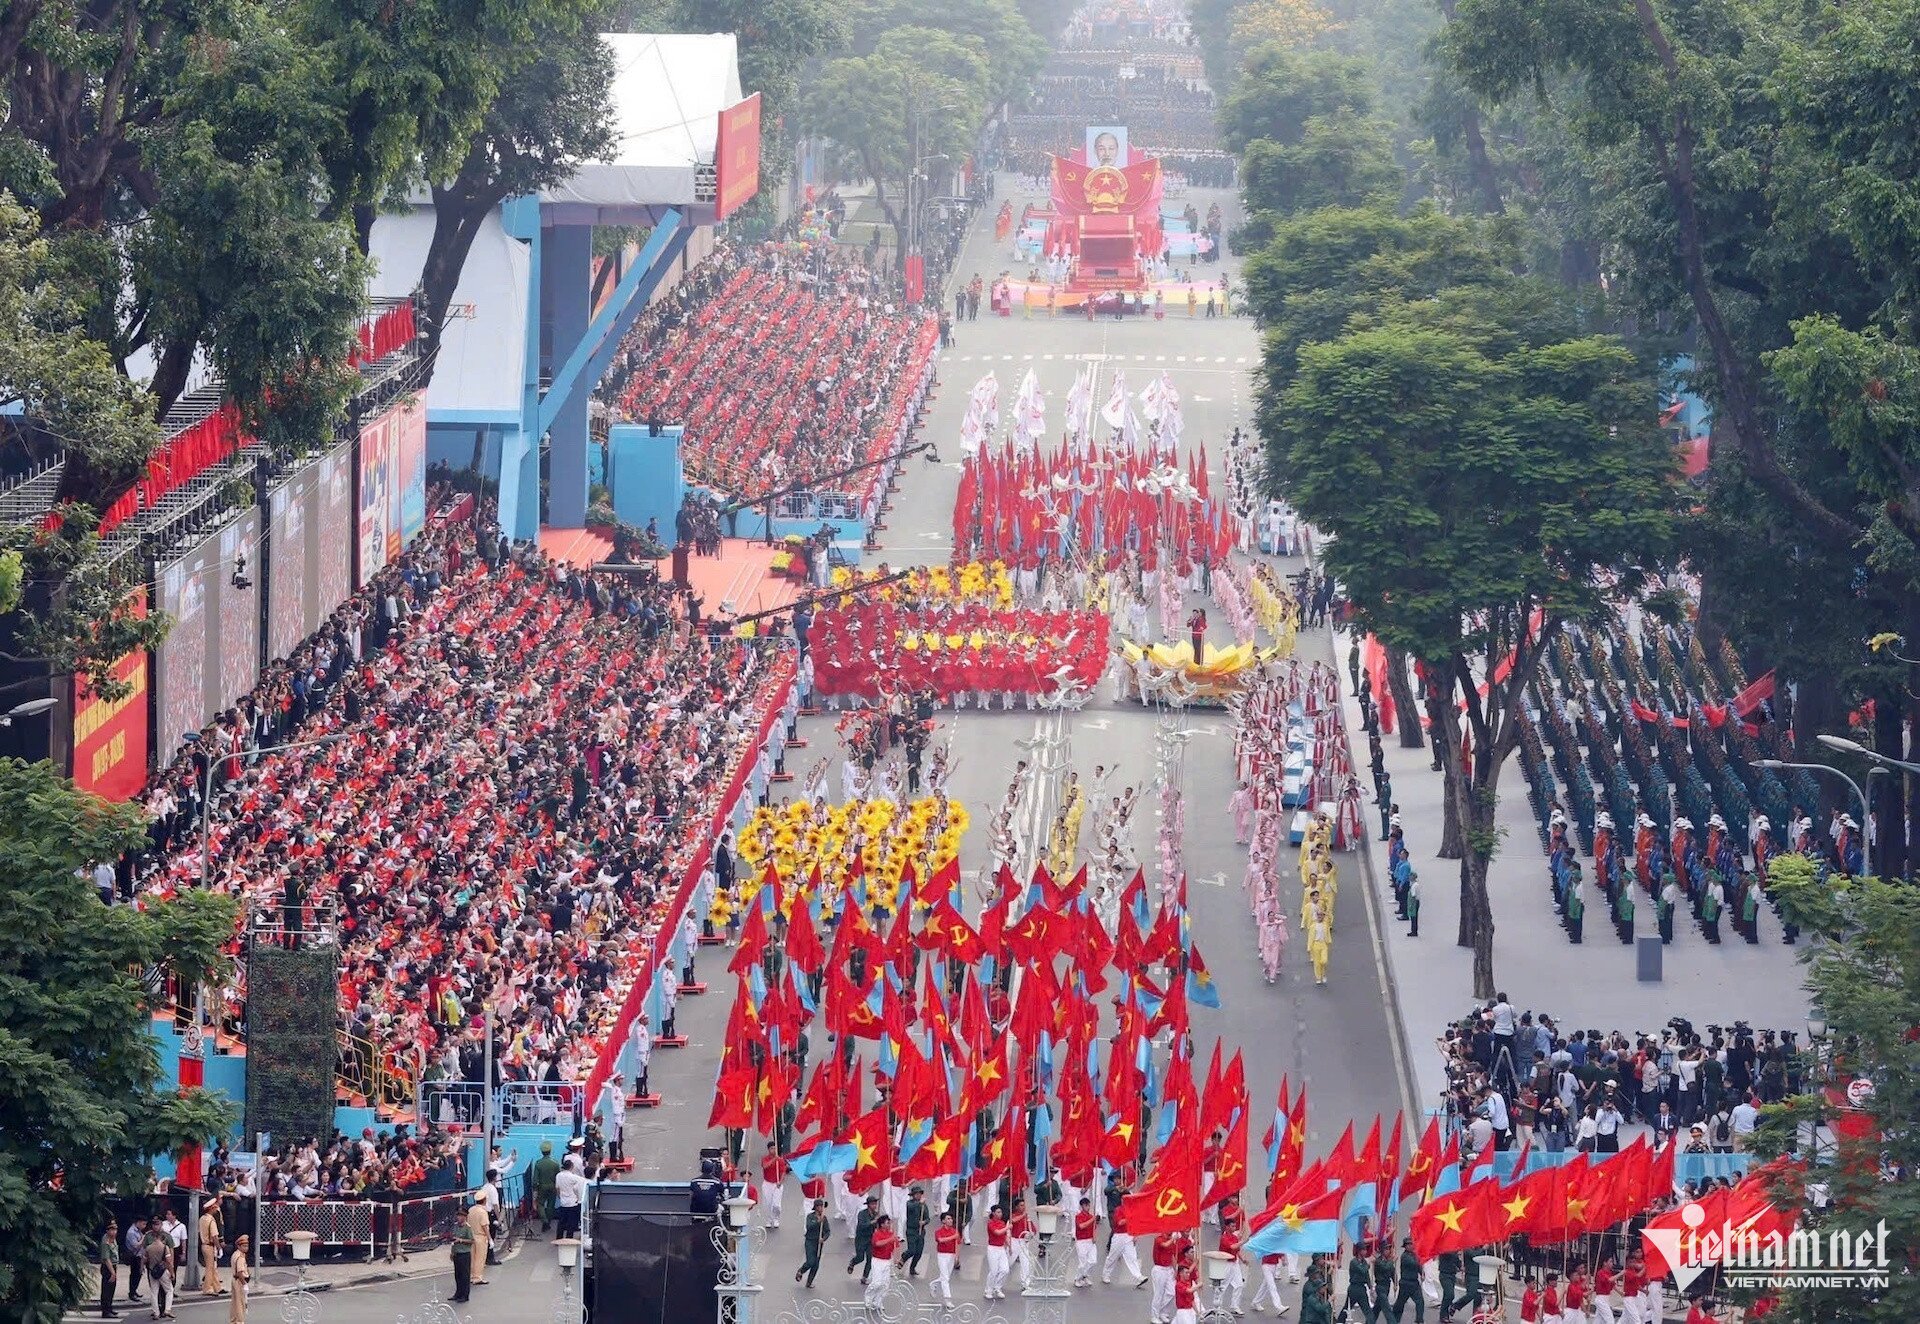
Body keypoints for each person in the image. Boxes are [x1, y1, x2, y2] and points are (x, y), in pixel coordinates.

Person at [1100, 1191, 1143, 1286]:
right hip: (1119, 1236)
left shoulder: (1132, 1210)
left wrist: (1136, 1235)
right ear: (1122, 1199)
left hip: (1129, 1235)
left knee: (1132, 1257)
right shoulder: (1118, 1210)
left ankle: (1138, 1277)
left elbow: (1135, 1224)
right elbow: (1120, 1222)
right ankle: (1106, 1274)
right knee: (1112, 1257)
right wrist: (1129, 1217)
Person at [142, 1220, 175, 1320]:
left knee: (154, 1292)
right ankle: (167, 1310)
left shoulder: (149, 1247)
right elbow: (169, 1260)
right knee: (169, 1290)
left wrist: (141, 1267)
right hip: (163, 1270)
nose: (155, 1226)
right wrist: (172, 1272)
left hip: (152, 1270)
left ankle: (156, 1312)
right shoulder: (164, 1247)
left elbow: (144, 1258)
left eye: (157, 1224)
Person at [865, 1214, 898, 1309]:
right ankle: (868, 1298)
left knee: (885, 1284)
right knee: (877, 1283)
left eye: (889, 1223)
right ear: (882, 1224)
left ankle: (878, 1301)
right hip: (877, 1261)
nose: (889, 1224)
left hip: (887, 1261)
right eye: (887, 1223)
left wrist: (896, 1258)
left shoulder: (891, 1234)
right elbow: (877, 1243)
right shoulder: (877, 1234)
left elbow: (896, 1247)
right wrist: (889, 1239)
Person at [556, 1153, 588, 1239]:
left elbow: (557, 1189)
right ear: (571, 1167)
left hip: (563, 1202)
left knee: (561, 1222)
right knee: (571, 1223)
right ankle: (569, 1239)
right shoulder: (574, 1177)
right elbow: (583, 1181)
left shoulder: (558, 1175)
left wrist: (560, 1197)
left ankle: (559, 1238)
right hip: (572, 1202)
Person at [532, 1140, 561, 1233]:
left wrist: (535, 1189)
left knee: (540, 1204)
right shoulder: (555, 1163)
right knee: (550, 1205)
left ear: (541, 1152)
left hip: (542, 1187)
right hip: (553, 1186)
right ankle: (548, 1222)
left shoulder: (538, 1163)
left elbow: (535, 1179)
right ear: (550, 1151)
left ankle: (545, 1222)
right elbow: (558, 1177)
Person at [984, 1204, 1011, 1299]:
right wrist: (1007, 1227)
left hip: (1001, 1248)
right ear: (993, 1213)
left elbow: (1004, 1236)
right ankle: (988, 1290)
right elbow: (997, 1232)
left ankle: (997, 1287)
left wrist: (1009, 1246)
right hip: (992, 1248)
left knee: (1005, 1270)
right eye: (998, 1212)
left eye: (1001, 1212)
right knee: (994, 1271)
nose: (1000, 1214)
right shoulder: (990, 1223)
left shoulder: (1002, 1223)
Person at [849, 1193, 879, 1282]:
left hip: (870, 1239)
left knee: (870, 1259)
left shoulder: (876, 1214)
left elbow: (878, 1227)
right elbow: (862, 1225)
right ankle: (852, 1262)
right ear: (868, 1205)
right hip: (861, 1239)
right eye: (872, 1204)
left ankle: (864, 1277)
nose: (874, 1206)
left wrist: (879, 1222)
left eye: (875, 1204)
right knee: (860, 1257)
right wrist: (873, 1222)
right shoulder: (862, 1214)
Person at [933, 1211, 961, 1305]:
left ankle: (934, 1284)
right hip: (942, 1255)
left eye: (951, 1219)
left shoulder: (955, 1231)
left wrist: (957, 1257)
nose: (951, 1220)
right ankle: (948, 1299)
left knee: (946, 1277)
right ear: (943, 1221)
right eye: (948, 1219)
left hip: (951, 1255)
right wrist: (953, 1237)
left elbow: (958, 1244)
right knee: (945, 1278)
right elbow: (940, 1240)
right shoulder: (938, 1231)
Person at [448, 1207, 475, 1303]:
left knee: (465, 1276)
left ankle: (464, 1295)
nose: (458, 1217)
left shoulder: (467, 1228)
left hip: (464, 1254)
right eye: (458, 1215)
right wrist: (452, 1252)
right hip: (457, 1253)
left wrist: (461, 1240)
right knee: (458, 1275)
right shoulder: (455, 1226)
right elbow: (453, 1240)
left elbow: (472, 1241)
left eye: (460, 1215)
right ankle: (458, 1293)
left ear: (465, 1217)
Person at [1072, 1197, 1099, 1288]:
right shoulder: (1078, 1216)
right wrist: (1092, 1219)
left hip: (1090, 1240)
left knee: (1093, 1260)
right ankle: (1077, 1278)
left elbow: (1094, 1228)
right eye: (1086, 1205)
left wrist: (1095, 1237)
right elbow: (1081, 1226)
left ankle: (1084, 1275)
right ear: (1082, 1206)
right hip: (1081, 1241)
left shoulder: (1091, 1216)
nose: (1088, 1207)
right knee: (1082, 1262)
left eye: (1088, 1205)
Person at [903, 1185, 929, 1276]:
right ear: (913, 1195)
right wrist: (919, 1203)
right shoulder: (909, 1203)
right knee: (912, 1250)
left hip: (920, 1231)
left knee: (919, 1252)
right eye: (916, 1194)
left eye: (919, 1194)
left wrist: (924, 1222)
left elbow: (927, 1218)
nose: (918, 1195)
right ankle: (903, 1257)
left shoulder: (924, 1205)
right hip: (911, 1230)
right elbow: (910, 1208)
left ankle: (912, 1268)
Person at [466, 1194, 492, 1284]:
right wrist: (490, 1238)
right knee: (480, 1258)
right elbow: (485, 1226)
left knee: (472, 1257)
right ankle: (477, 1277)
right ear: (484, 1200)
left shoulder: (471, 1210)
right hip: (480, 1237)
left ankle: (471, 1276)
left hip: (471, 1236)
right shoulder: (483, 1212)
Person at [199, 1203, 223, 1294]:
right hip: (210, 1246)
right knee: (210, 1268)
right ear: (211, 1209)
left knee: (212, 1267)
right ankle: (207, 1288)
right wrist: (219, 1248)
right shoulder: (211, 1220)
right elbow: (214, 1236)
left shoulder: (202, 1218)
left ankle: (217, 1287)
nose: (216, 1210)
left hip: (204, 1245)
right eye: (215, 1208)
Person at [100, 1218, 121, 1319]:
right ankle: (106, 1311)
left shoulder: (113, 1239)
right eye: (112, 1229)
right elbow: (106, 1259)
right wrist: (113, 1273)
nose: (114, 1231)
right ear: (107, 1230)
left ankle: (110, 1308)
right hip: (108, 1267)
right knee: (107, 1290)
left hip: (113, 1266)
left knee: (111, 1289)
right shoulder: (106, 1241)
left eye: (115, 1229)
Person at [227, 1236, 250, 1324]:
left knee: (235, 1303)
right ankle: (240, 1321)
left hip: (235, 1280)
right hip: (239, 1281)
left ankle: (233, 1320)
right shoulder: (240, 1257)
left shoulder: (235, 1254)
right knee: (240, 1303)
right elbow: (240, 1272)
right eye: (244, 1246)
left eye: (247, 1246)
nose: (246, 1248)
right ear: (239, 1246)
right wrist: (244, 1284)